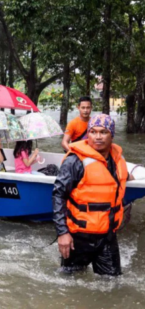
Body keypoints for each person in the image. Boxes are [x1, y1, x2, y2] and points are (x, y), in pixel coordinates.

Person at [53, 114, 134, 276]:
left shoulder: (118, 160)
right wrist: (62, 233)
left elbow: (116, 190)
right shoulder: (75, 161)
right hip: (78, 237)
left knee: (113, 286)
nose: (98, 137)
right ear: (87, 134)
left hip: (107, 236)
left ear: (112, 135)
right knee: (69, 283)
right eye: (93, 132)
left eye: (103, 132)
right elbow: (58, 196)